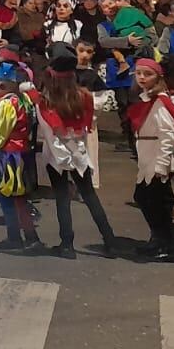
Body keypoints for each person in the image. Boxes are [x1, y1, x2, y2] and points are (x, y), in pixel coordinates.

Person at [36, 47, 117, 258]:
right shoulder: (85, 97)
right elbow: (86, 127)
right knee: (90, 196)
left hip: (56, 155)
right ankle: (110, 241)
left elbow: (49, 132)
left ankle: (67, 244)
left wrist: (62, 154)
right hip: (80, 151)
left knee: (62, 198)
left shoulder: (45, 101)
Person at [125, 59, 174, 262]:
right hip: (147, 155)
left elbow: (168, 134)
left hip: (157, 156)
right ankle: (159, 241)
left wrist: (162, 164)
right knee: (147, 198)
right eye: (138, 73)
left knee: (152, 201)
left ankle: (167, 246)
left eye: (147, 74)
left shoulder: (161, 101)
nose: (141, 77)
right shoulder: (147, 99)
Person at [0, 59, 43, 252]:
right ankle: (31, 239)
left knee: (7, 199)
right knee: (19, 200)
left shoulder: (8, 104)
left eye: (0, 80)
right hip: (22, 153)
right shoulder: (24, 99)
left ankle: (14, 238)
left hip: (9, 157)